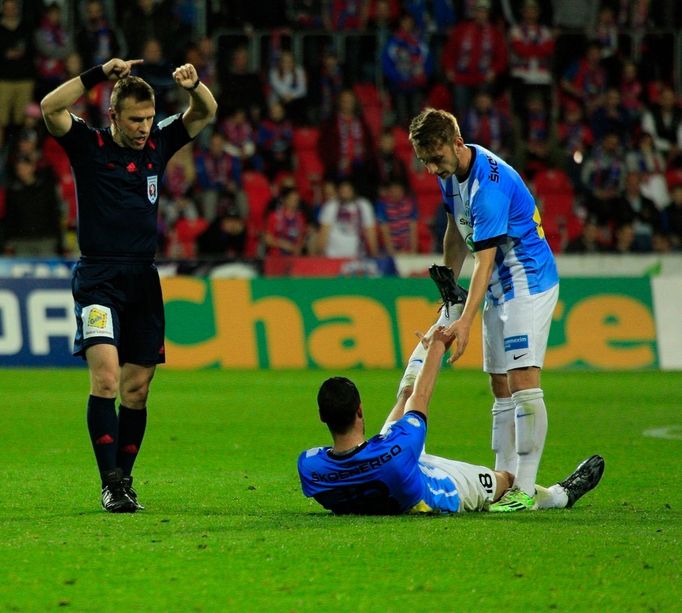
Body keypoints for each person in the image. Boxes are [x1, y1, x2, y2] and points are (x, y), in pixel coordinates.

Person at [40, 57, 217, 513]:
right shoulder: (89, 144)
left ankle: (125, 480)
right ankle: (109, 482)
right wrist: (100, 73)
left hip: (143, 279)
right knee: (106, 378)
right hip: (98, 278)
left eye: (149, 118)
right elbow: (50, 107)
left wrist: (195, 86)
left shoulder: (159, 143)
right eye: (135, 119)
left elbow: (205, 113)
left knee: (137, 389)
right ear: (114, 116)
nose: (143, 127)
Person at [298, 298, 604, 515]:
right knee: (507, 483)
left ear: (322, 417)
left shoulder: (310, 467)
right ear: (360, 410)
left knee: (403, 399)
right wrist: (437, 348)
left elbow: (409, 400)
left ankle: (446, 314)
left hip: (393, 470)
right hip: (438, 488)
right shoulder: (397, 450)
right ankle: (559, 496)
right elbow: (420, 399)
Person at [407, 108, 560, 512]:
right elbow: (456, 233)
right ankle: (504, 479)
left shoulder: (487, 187)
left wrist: (465, 323)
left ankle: (525, 489)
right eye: (425, 161)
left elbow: (486, 260)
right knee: (498, 384)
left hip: (526, 281)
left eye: (436, 159)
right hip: (495, 288)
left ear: (457, 143)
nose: (431, 169)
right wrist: (448, 290)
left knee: (522, 378)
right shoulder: (451, 177)